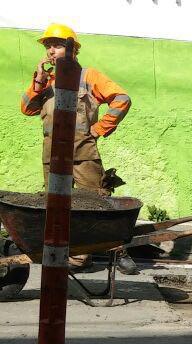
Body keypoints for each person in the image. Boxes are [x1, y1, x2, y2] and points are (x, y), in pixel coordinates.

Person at [20, 23, 138, 274]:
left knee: (95, 202)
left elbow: (122, 99)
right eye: (48, 45)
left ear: (72, 49)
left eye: (57, 45)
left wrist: (99, 129)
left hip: (81, 151)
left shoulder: (88, 76)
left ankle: (118, 252)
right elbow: (27, 109)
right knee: (56, 206)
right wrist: (39, 82)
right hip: (52, 154)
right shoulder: (46, 81)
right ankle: (75, 256)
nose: (51, 50)